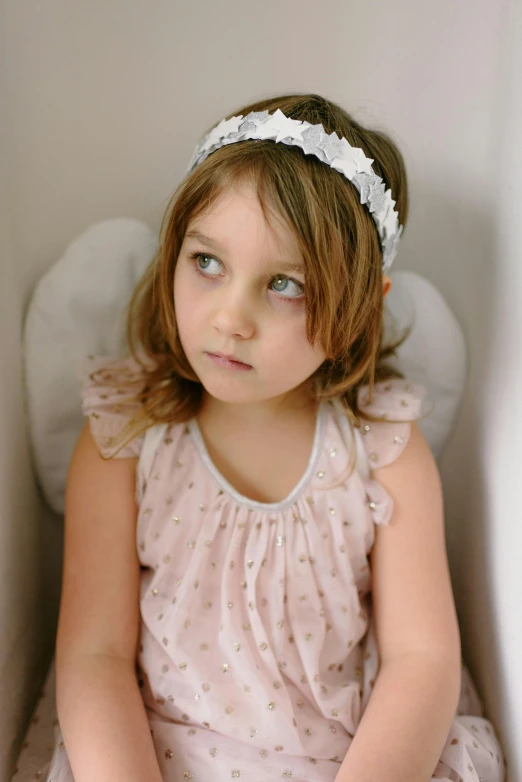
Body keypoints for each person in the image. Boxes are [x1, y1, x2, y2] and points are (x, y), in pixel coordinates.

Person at [44, 93, 505, 782]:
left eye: (284, 284)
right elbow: (94, 655)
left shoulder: (384, 452)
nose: (231, 317)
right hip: (160, 757)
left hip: (353, 759)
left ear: (358, 308)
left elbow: (423, 660)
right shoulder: (125, 435)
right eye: (206, 263)